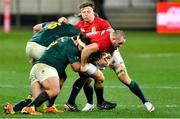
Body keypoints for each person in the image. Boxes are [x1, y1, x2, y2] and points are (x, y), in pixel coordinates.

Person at [64, 2, 155, 112]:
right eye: (84, 12)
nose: (86, 14)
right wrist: (64, 23)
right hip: (93, 54)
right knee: (86, 78)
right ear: (81, 14)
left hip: (109, 51)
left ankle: (146, 102)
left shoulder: (102, 23)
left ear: (93, 12)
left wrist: (108, 59)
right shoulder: (79, 26)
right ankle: (90, 103)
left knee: (124, 77)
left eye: (89, 11)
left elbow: (114, 39)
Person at [3, 19, 81, 114]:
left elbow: (35, 28)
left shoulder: (53, 23)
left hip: (30, 45)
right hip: (41, 49)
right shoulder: (74, 30)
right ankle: (47, 105)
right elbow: (75, 66)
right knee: (57, 77)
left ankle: (19, 105)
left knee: (43, 79)